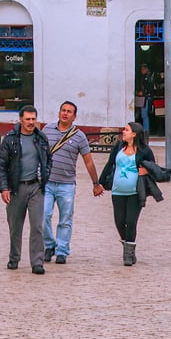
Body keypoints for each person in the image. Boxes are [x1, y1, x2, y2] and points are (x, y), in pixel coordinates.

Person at [39, 99, 102, 265]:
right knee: (43, 216)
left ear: (74, 117)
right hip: (47, 182)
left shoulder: (79, 136)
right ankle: (49, 245)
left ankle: (62, 251)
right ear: (59, 112)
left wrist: (95, 183)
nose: (65, 113)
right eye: (63, 110)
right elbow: (39, 153)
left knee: (65, 219)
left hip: (66, 184)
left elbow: (88, 161)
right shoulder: (47, 130)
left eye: (69, 111)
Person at [99, 119, 165, 265]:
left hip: (135, 192)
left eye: (126, 130)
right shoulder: (118, 148)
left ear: (134, 134)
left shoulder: (145, 151)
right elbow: (110, 164)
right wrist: (100, 183)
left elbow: (154, 168)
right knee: (119, 222)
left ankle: (128, 255)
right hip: (117, 191)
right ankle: (128, 244)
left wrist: (146, 170)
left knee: (131, 221)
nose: (123, 132)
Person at [0, 105, 50, 273]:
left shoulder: (41, 138)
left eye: (33, 119)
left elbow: (48, 159)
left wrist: (45, 175)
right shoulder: (11, 139)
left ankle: (37, 262)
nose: (31, 122)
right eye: (27, 119)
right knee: (15, 226)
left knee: (37, 226)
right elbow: (1, 165)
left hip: (36, 187)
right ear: (20, 120)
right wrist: (4, 188)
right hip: (16, 188)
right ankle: (14, 257)